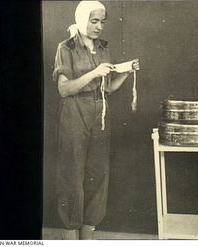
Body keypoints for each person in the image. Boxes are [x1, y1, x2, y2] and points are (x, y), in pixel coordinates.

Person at [52, 1, 140, 240]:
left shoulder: (103, 48)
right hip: (74, 111)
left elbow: (108, 88)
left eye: (102, 21)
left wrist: (125, 72)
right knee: (72, 172)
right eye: (94, 21)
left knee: (97, 172)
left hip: (100, 111)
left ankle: (88, 233)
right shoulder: (66, 48)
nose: (99, 26)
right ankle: (71, 235)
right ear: (82, 19)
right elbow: (64, 89)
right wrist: (93, 72)